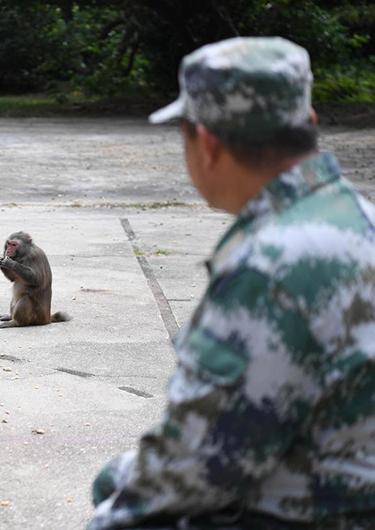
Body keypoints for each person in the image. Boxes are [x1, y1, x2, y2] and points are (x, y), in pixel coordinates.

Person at [90, 37, 375, 530]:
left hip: (322, 510)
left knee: (123, 499)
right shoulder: (358, 218)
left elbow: (199, 463)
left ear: (207, 143)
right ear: (308, 125)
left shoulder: (268, 267)